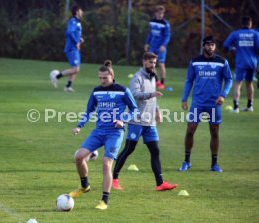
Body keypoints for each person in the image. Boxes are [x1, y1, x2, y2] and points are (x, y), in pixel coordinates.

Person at [69, 60, 138, 210]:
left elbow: (135, 109)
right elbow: (89, 111)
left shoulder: (123, 90)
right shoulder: (96, 91)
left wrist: (123, 119)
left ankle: (104, 201)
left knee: (106, 164)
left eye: (104, 78)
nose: (102, 81)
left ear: (112, 76)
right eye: (100, 78)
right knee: (79, 157)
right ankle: (84, 186)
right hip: (98, 132)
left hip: (114, 133)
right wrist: (79, 126)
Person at [112, 52, 177, 191]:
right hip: (136, 121)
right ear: (143, 62)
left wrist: (157, 111)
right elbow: (135, 94)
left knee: (155, 150)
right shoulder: (137, 77)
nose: (153, 65)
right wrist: (151, 94)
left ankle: (160, 183)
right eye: (150, 62)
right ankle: (114, 179)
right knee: (129, 149)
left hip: (150, 122)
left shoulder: (153, 77)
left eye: (154, 63)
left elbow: (153, 98)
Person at [179, 35, 233, 173]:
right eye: (208, 44)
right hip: (197, 102)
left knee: (214, 132)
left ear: (215, 47)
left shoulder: (222, 62)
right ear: (203, 46)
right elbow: (189, 81)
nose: (210, 47)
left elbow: (229, 80)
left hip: (214, 103)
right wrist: (184, 98)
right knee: (190, 130)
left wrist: (223, 95)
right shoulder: (195, 62)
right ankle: (186, 161)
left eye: (213, 45)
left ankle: (214, 164)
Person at [223, 16, 259, 112]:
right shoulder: (255, 34)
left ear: (242, 24)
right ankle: (250, 106)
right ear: (250, 24)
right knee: (249, 83)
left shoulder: (236, 34)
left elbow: (225, 45)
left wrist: (232, 49)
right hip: (252, 62)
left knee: (238, 83)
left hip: (241, 62)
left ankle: (236, 107)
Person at [50, 4, 84, 92]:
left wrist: (79, 39)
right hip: (71, 48)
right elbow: (69, 32)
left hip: (74, 48)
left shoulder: (77, 22)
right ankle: (56, 77)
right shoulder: (73, 21)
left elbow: (68, 33)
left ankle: (68, 86)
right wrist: (76, 42)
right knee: (76, 69)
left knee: (75, 69)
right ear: (77, 12)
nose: (82, 12)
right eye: (81, 10)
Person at [144, 5, 171, 90]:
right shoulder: (152, 22)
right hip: (153, 47)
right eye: (159, 13)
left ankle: (162, 83)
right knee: (151, 64)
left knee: (161, 64)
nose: (161, 15)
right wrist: (147, 43)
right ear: (155, 13)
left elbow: (167, 36)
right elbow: (150, 34)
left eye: (162, 14)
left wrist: (164, 45)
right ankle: (156, 81)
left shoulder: (165, 24)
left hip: (161, 48)